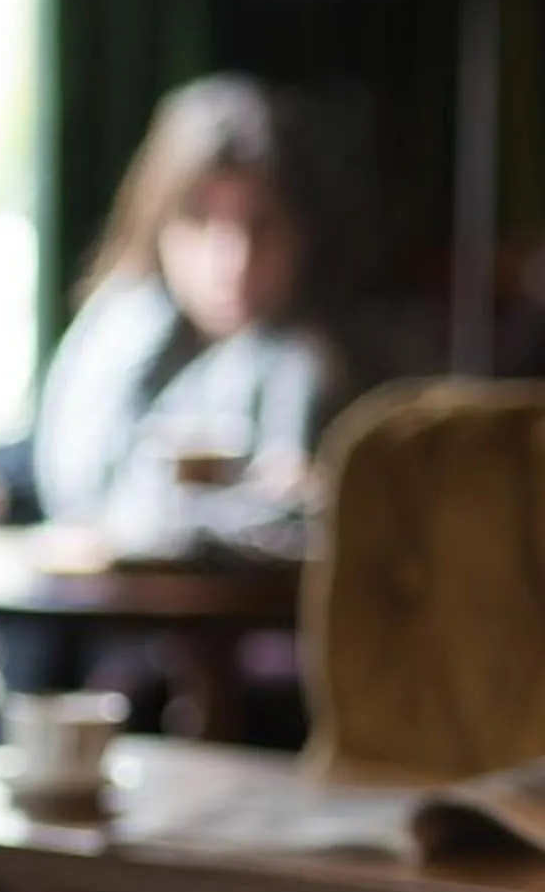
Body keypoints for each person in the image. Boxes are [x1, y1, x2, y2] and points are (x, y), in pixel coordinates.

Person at [32, 74, 353, 552]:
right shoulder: (127, 331)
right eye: (201, 222)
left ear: (303, 233)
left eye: (261, 227)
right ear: (158, 223)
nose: (233, 261)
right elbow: (79, 502)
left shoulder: (319, 359)